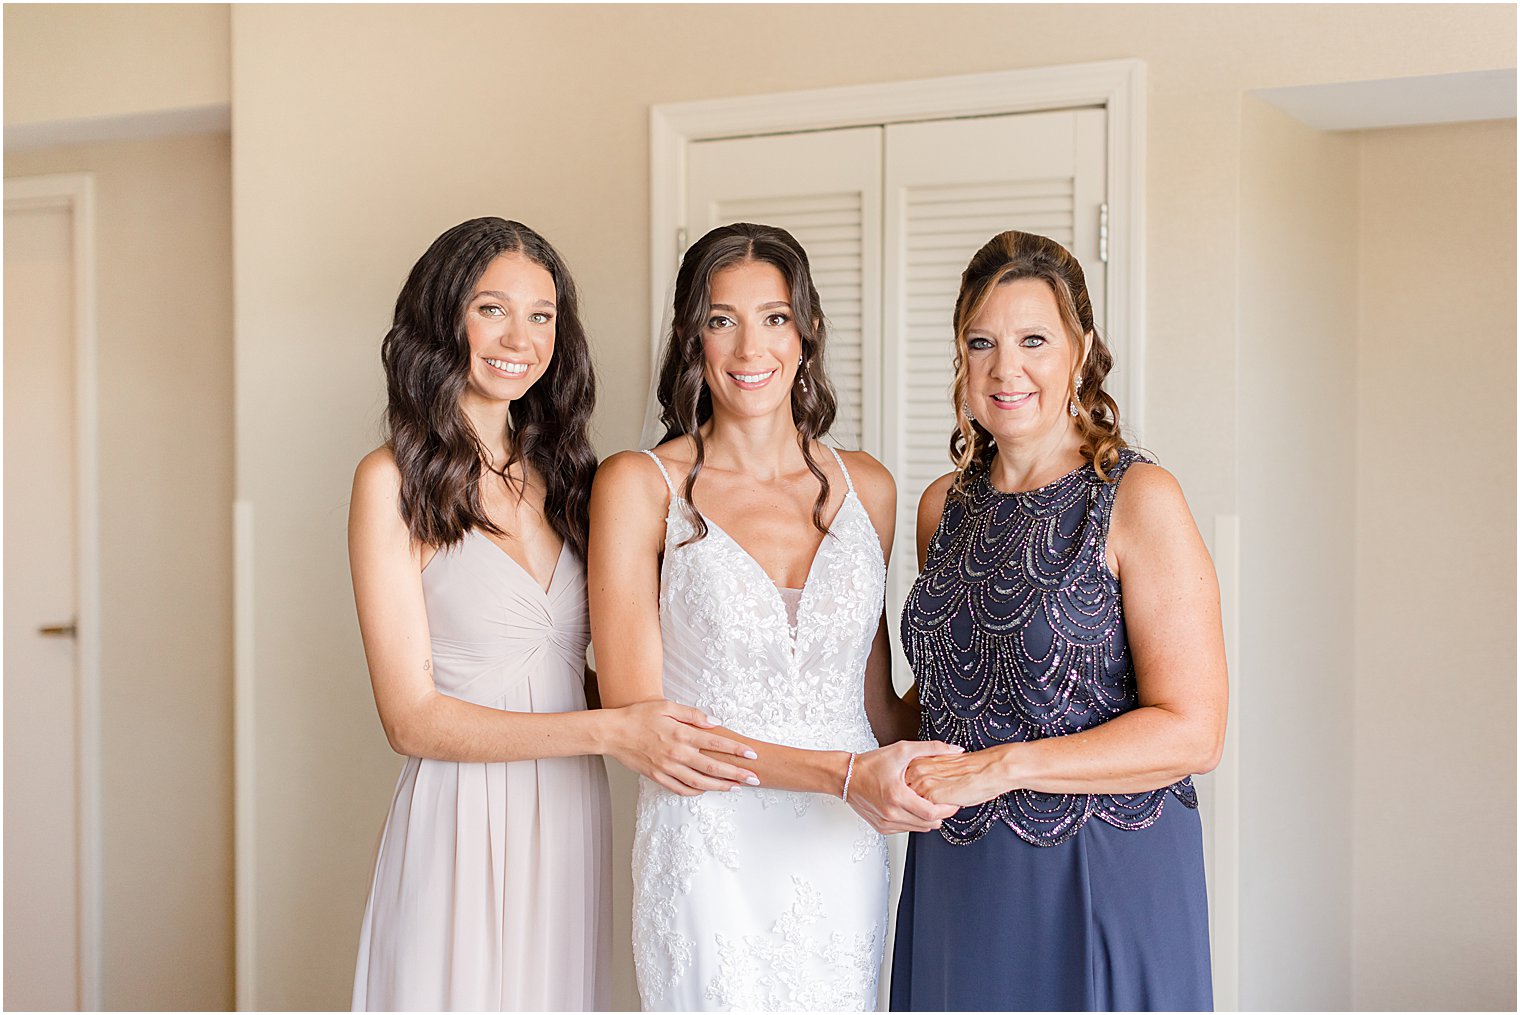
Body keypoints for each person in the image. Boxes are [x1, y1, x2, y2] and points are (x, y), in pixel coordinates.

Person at [347, 217, 759, 1011]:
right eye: (492, 308)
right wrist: (611, 730)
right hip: (460, 819)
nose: (520, 337)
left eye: (542, 316)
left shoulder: (570, 475)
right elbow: (411, 718)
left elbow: (606, 658)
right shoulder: (389, 481)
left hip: (569, 816)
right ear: (445, 319)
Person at [589, 222, 961, 1011]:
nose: (749, 347)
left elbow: (876, 703)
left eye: (774, 317)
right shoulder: (638, 485)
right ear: (693, 337)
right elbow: (641, 722)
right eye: (721, 319)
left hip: (842, 849)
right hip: (708, 847)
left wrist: (998, 680)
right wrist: (840, 773)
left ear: (807, 330)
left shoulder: (872, 490)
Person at [890, 230, 1227, 1011]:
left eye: (1033, 339)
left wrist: (1003, 766)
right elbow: (935, 705)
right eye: (983, 342)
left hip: (1102, 868)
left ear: (1079, 352)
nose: (1007, 368)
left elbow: (1193, 732)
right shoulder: (943, 506)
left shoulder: (1138, 499)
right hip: (958, 874)